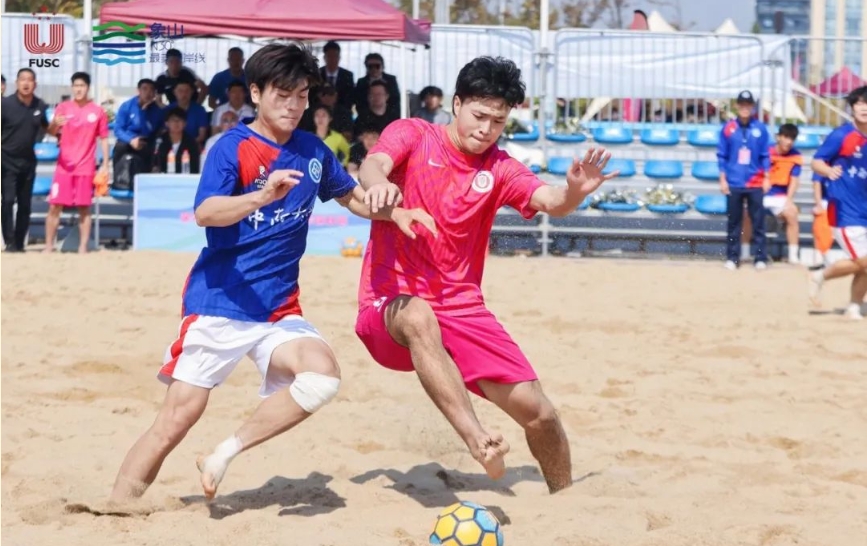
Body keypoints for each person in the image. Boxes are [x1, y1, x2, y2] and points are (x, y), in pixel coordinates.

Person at [108, 43, 434, 504]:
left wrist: (395, 214)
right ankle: (116, 506)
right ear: (257, 93)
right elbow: (205, 212)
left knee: (322, 377)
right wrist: (261, 197)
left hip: (278, 310)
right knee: (176, 420)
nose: (294, 105)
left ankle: (223, 454)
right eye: (283, 94)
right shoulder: (232, 147)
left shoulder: (312, 150)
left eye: (302, 95)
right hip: (220, 304)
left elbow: (351, 198)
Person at [355, 56, 618, 493]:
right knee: (418, 316)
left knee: (540, 413)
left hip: (462, 310)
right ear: (456, 104)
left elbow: (550, 200)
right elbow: (373, 164)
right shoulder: (414, 134)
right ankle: (478, 438)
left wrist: (573, 192)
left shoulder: (499, 168)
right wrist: (378, 183)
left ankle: (566, 498)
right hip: (389, 305)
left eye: (498, 121)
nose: (487, 129)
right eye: (479, 116)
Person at [808, 86, 867, 321]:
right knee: (864, 261)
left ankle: (854, 306)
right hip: (845, 211)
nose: (864, 108)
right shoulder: (842, 135)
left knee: (863, 265)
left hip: (865, 209)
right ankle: (820, 276)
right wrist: (828, 170)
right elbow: (816, 162)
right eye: (859, 103)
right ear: (851, 108)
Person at [43, 72, 110, 253]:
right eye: (76, 86)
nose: (79, 89)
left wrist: (105, 164)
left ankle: (82, 247)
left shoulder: (97, 111)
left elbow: (104, 138)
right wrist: (54, 124)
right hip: (64, 167)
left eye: (82, 86)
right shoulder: (63, 107)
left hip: (85, 167)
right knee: (54, 206)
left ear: (88, 88)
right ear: (72, 87)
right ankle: (48, 246)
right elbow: (51, 132)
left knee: (84, 208)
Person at [1, 68, 61, 252]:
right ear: (16, 83)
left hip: (28, 161)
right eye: (22, 79)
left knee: (25, 204)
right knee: (8, 201)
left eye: (30, 80)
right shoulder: (5, 104)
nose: (26, 83)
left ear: (35, 84)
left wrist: (55, 125)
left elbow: (47, 129)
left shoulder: (40, 105)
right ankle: (9, 242)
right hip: (6, 159)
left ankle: (20, 243)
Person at [717, 90, 771, 270]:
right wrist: (723, 179)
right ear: (737, 106)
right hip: (734, 181)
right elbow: (722, 155)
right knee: (734, 222)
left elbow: (765, 155)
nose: (745, 107)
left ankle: (760, 257)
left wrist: (767, 177)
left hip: (755, 181)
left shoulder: (760, 129)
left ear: (752, 106)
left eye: (748, 104)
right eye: (742, 104)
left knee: (758, 222)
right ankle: (732, 257)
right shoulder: (728, 128)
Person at [741, 123, 803, 264]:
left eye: (792, 138)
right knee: (746, 214)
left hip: (780, 196)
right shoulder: (765, 152)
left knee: (792, 214)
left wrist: (789, 200)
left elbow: (794, 180)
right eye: (786, 137)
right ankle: (744, 253)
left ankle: (793, 256)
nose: (788, 141)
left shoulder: (796, 156)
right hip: (760, 193)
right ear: (778, 137)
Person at [153, 107, 201, 174]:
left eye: (180, 120)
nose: (176, 123)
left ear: (185, 124)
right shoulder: (160, 141)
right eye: (173, 120)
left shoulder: (191, 142)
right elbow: (155, 162)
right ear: (167, 123)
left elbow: (194, 166)